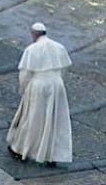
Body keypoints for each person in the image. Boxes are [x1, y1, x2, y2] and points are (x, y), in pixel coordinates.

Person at [6, 22, 73, 166]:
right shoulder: (59, 47)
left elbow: (24, 74)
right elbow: (64, 69)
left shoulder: (31, 49)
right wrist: (59, 83)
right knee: (54, 119)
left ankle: (21, 149)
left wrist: (24, 89)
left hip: (38, 84)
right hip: (57, 84)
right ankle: (52, 155)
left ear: (33, 34)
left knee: (32, 118)